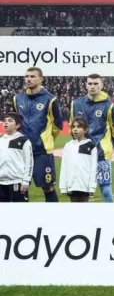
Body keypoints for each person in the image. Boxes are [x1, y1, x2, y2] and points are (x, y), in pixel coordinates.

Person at [69, 73, 114, 203]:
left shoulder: (109, 106)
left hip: (101, 156)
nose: (92, 86)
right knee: (81, 190)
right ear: (86, 85)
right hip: (81, 155)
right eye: (90, 83)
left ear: (101, 85)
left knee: (106, 190)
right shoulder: (76, 104)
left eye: (96, 84)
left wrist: (108, 146)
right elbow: (72, 125)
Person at [12, 67, 63, 202]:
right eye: (27, 76)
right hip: (21, 150)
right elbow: (16, 122)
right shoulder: (18, 98)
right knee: (21, 187)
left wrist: (45, 139)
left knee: (48, 187)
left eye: (33, 76)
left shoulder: (50, 99)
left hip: (42, 151)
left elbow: (58, 125)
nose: (29, 79)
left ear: (41, 79)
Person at [59, 117, 98, 203]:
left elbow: (94, 168)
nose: (75, 129)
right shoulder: (68, 146)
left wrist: (92, 187)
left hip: (84, 185)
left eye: (79, 127)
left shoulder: (90, 146)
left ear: (85, 130)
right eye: (73, 127)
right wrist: (63, 186)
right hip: (71, 185)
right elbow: (64, 166)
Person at [0, 113, 32, 203]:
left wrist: (26, 180)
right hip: (1, 183)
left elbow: (29, 162)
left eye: (10, 121)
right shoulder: (1, 141)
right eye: (4, 121)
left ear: (17, 125)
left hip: (17, 182)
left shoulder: (24, 141)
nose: (6, 123)